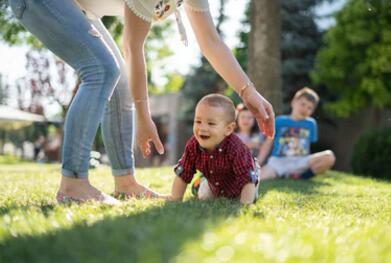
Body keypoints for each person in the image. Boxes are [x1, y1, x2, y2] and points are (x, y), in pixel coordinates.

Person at [8, 0, 274, 204]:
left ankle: (125, 182)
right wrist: (143, 117)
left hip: (76, 7)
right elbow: (132, 46)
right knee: (101, 69)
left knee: (119, 79)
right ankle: (73, 184)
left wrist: (248, 91)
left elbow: (211, 42)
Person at [168, 94, 260, 205]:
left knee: (248, 197)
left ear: (228, 129)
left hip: (242, 182)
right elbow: (183, 173)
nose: (202, 128)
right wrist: (175, 199)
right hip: (215, 183)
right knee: (204, 196)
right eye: (198, 122)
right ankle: (201, 183)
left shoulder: (237, 148)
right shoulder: (193, 145)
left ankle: (204, 182)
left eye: (211, 123)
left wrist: (245, 205)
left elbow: (247, 179)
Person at [260, 87, 336, 180]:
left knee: (329, 156)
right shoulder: (279, 121)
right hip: (278, 162)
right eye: (303, 104)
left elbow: (308, 146)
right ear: (293, 102)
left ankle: (301, 176)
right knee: (260, 177)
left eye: (309, 108)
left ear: (312, 111)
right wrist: (259, 161)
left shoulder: (311, 124)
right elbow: (268, 143)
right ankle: (284, 174)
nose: (305, 109)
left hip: (301, 161)